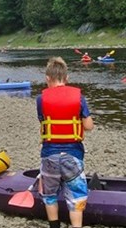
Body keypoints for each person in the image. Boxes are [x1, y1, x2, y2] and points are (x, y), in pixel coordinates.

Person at [36, 57, 94, 228]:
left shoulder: (41, 99)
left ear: (48, 78)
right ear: (66, 78)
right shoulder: (79, 97)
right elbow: (88, 126)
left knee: (50, 195)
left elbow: (43, 122)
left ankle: (54, 226)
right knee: (76, 196)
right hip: (73, 155)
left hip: (49, 156)